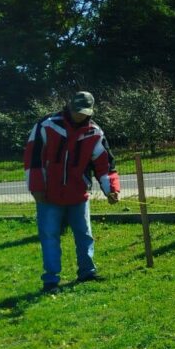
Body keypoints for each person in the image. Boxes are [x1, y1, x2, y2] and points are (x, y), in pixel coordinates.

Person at [23, 91, 120, 292]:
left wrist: (111, 189)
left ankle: (87, 272)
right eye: (76, 111)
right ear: (69, 107)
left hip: (78, 194)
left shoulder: (95, 133)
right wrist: (36, 187)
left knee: (84, 235)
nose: (79, 115)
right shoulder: (46, 125)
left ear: (90, 111)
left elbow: (104, 164)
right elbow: (33, 158)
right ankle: (51, 280)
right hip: (48, 195)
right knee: (50, 236)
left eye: (84, 112)